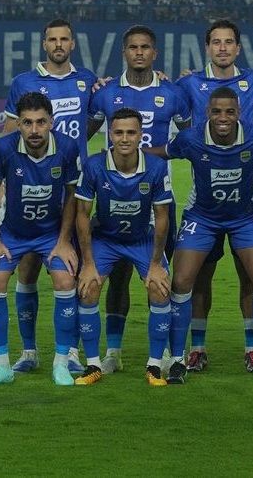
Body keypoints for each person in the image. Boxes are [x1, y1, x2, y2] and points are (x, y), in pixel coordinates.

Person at [146, 86, 253, 386]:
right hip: (202, 217)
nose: (223, 117)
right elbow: (163, 151)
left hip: (245, 218)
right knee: (182, 281)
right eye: (217, 112)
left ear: (239, 113)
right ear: (208, 113)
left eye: (230, 112)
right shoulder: (191, 138)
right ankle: (179, 358)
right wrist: (125, 151)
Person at [86, 25, 190, 374]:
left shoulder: (173, 94)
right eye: (133, 47)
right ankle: (113, 352)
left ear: (154, 53)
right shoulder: (105, 94)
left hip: (157, 199)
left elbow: (190, 140)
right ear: (124, 53)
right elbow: (81, 137)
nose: (140, 52)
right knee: (116, 277)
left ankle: (165, 352)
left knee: (160, 276)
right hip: (113, 196)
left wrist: (158, 155)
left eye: (145, 47)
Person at [174, 19, 253, 373]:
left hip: (245, 198)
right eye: (216, 42)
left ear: (238, 48)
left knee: (252, 275)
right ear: (207, 47)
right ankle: (197, 348)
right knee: (199, 276)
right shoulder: (188, 84)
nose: (223, 48)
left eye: (229, 42)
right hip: (204, 198)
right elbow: (156, 96)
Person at [1, 18, 97, 375]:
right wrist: (6, 187)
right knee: (27, 269)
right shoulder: (24, 82)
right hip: (31, 187)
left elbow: (95, 119)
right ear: (44, 44)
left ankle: (69, 351)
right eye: (52, 39)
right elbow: (8, 136)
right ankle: (29, 351)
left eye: (64, 39)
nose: (58, 44)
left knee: (71, 267)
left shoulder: (87, 80)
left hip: (75, 187)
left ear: (73, 44)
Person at [0, 92, 81, 386]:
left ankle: (61, 363)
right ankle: (2, 366)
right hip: (12, 233)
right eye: (27, 123)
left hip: (51, 234)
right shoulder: (3, 147)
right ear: (19, 124)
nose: (34, 130)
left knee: (65, 281)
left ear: (51, 122)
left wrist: (64, 239)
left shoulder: (67, 147)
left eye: (40, 122)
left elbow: (73, 194)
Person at [74, 108, 173, 386]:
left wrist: (156, 264)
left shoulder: (156, 167)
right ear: (110, 135)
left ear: (141, 135)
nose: (125, 138)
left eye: (131, 132)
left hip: (142, 238)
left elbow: (162, 217)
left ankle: (155, 365)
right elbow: (82, 214)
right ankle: (93, 365)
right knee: (88, 288)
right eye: (118, 132)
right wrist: (88, 264)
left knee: (160, 288)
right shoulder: (94, 166)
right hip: (106, 238)